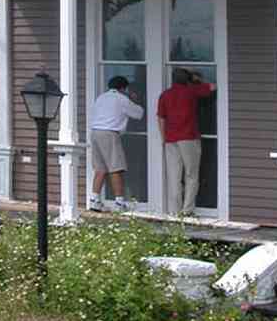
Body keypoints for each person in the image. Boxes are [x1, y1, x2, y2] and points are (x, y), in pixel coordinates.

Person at [157, 68, 216, 217]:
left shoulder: (165, 95)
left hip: (171, 139)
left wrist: (163, 137)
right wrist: (198, 79)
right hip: (189, 138)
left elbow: (161, 118)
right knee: (191, 175)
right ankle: (187, 210)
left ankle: (174, 211)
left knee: (174, 176)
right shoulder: (191, 91)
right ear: (188, 80)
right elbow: (213, 87)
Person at [89, 75, 144, 211]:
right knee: (115, 168)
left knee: (100, 169)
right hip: (109, 134)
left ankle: (94, 200)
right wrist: (135, 100)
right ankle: (119, 203)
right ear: (123, 88)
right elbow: (139, 113)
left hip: (95, 132)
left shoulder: (101, 97)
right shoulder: (122, 99)